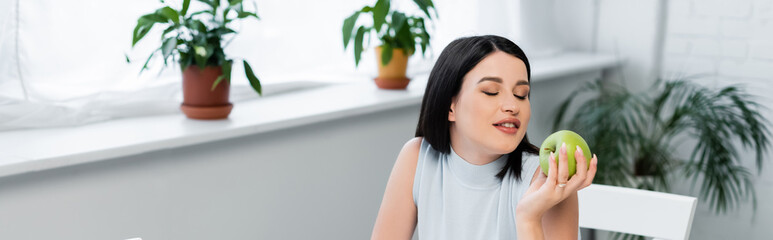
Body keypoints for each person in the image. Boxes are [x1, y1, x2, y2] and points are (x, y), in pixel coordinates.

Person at [370, 35, 599, 240]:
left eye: (522, 94)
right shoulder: (417, 158)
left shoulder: (547, 179)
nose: (512, 106)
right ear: (450, 106)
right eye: (491, 91)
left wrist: (528, 218)